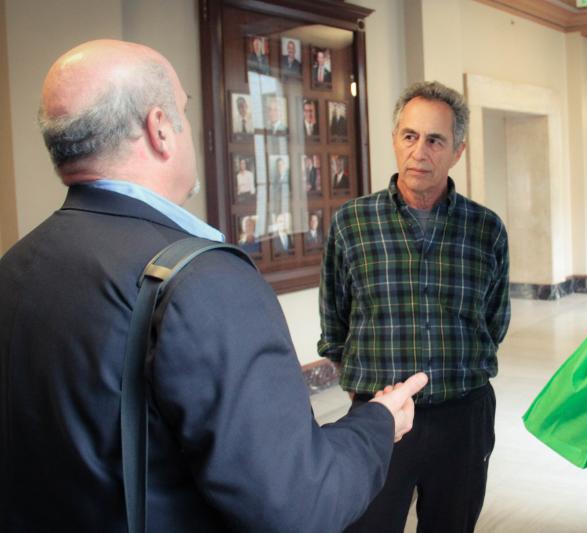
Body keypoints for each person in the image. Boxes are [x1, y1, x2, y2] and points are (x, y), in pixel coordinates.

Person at [0, 39, 428, 533]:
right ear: (160, 129)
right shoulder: (203, 281)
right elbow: (296, 506)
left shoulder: (16, 267)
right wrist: (377, 423)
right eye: (183, 112)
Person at [319, 81, 510, 533]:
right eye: (409, 136)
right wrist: (365, 389)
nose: (419, 151)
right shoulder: (353, 223)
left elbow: (494, 320)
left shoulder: (485, 229)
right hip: (379, 418)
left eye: (434, 140)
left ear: (457, 150)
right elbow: (335, 320)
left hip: (462, 416)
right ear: (394, 140)